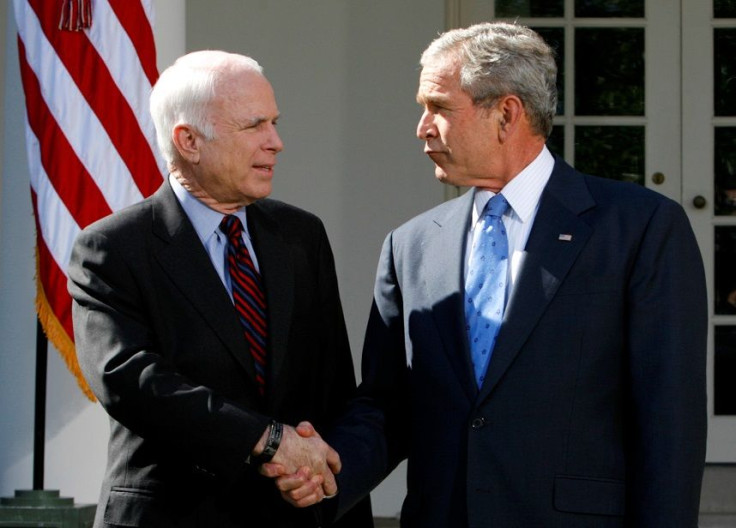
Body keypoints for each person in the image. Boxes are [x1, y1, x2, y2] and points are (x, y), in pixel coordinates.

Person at [270, 22, 708, 527]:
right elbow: (388, 404)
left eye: (438, 107)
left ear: (506, 113)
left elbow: (668, 421)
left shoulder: (640, 228)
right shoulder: (411, 245)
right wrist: (328, 473)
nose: (423, 126)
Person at [67, 50, 373, 528]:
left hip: (293, 514)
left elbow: (330, 385)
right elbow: (127, 378)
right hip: (172, 514)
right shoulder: (112, 247)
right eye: (254, 126)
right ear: (188, 140)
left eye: (274, 123)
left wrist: (327, 483)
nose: (276, 142)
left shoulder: (300, 236)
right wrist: (266, 439)